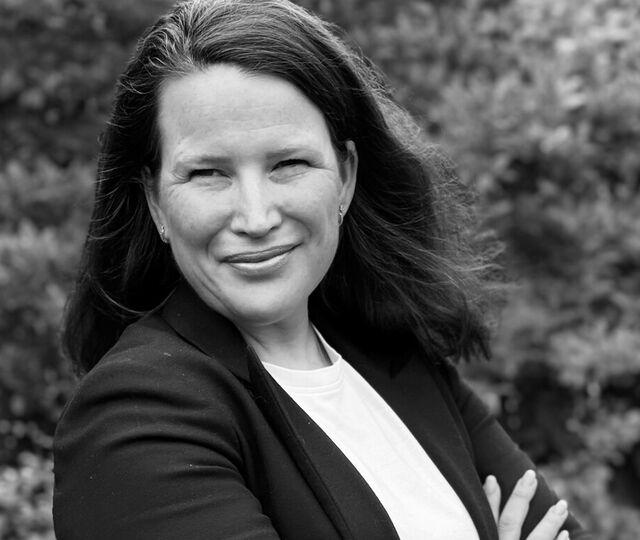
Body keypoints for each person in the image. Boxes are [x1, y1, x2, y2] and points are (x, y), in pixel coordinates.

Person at [53, 0, 591, 539]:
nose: (256, 218)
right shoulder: (136, 417)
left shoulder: (394, 356)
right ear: (155, 201)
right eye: (208, 173)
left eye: (289, 164)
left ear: (346, 177)